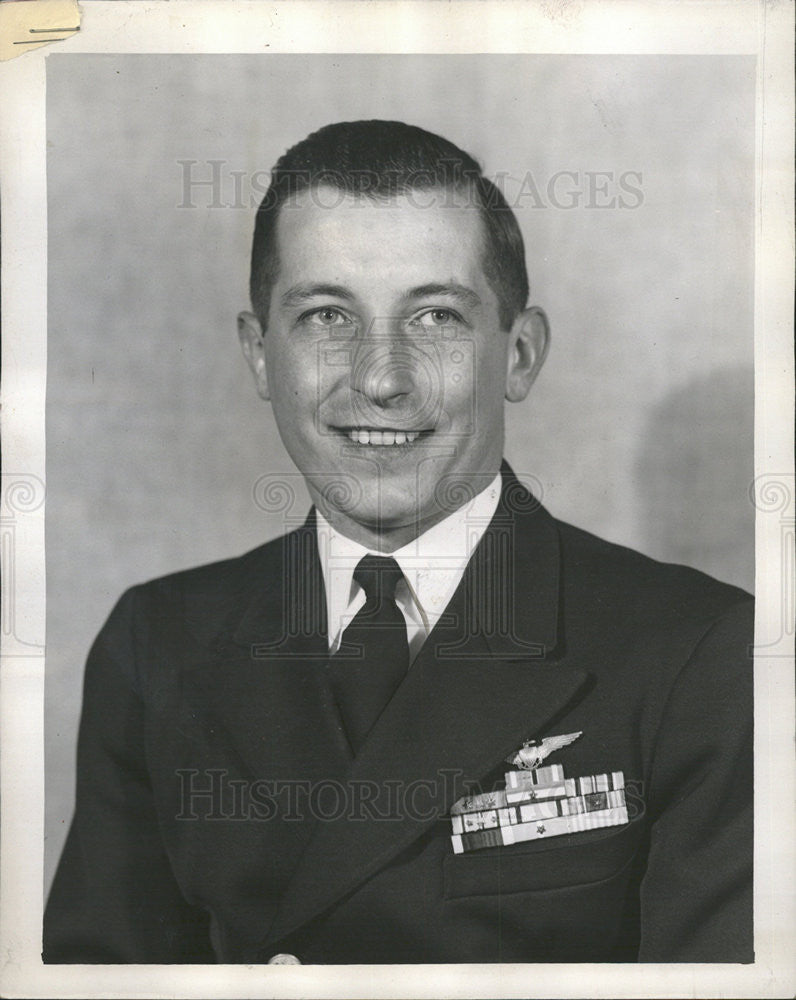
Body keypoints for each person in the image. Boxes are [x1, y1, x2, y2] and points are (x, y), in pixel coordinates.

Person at [43, 120, 753, 964]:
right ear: (259, 354)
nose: (381, 378)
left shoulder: (698, 653)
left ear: (519, 355)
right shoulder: (155, 644)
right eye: (326, 315)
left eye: (437, 316)